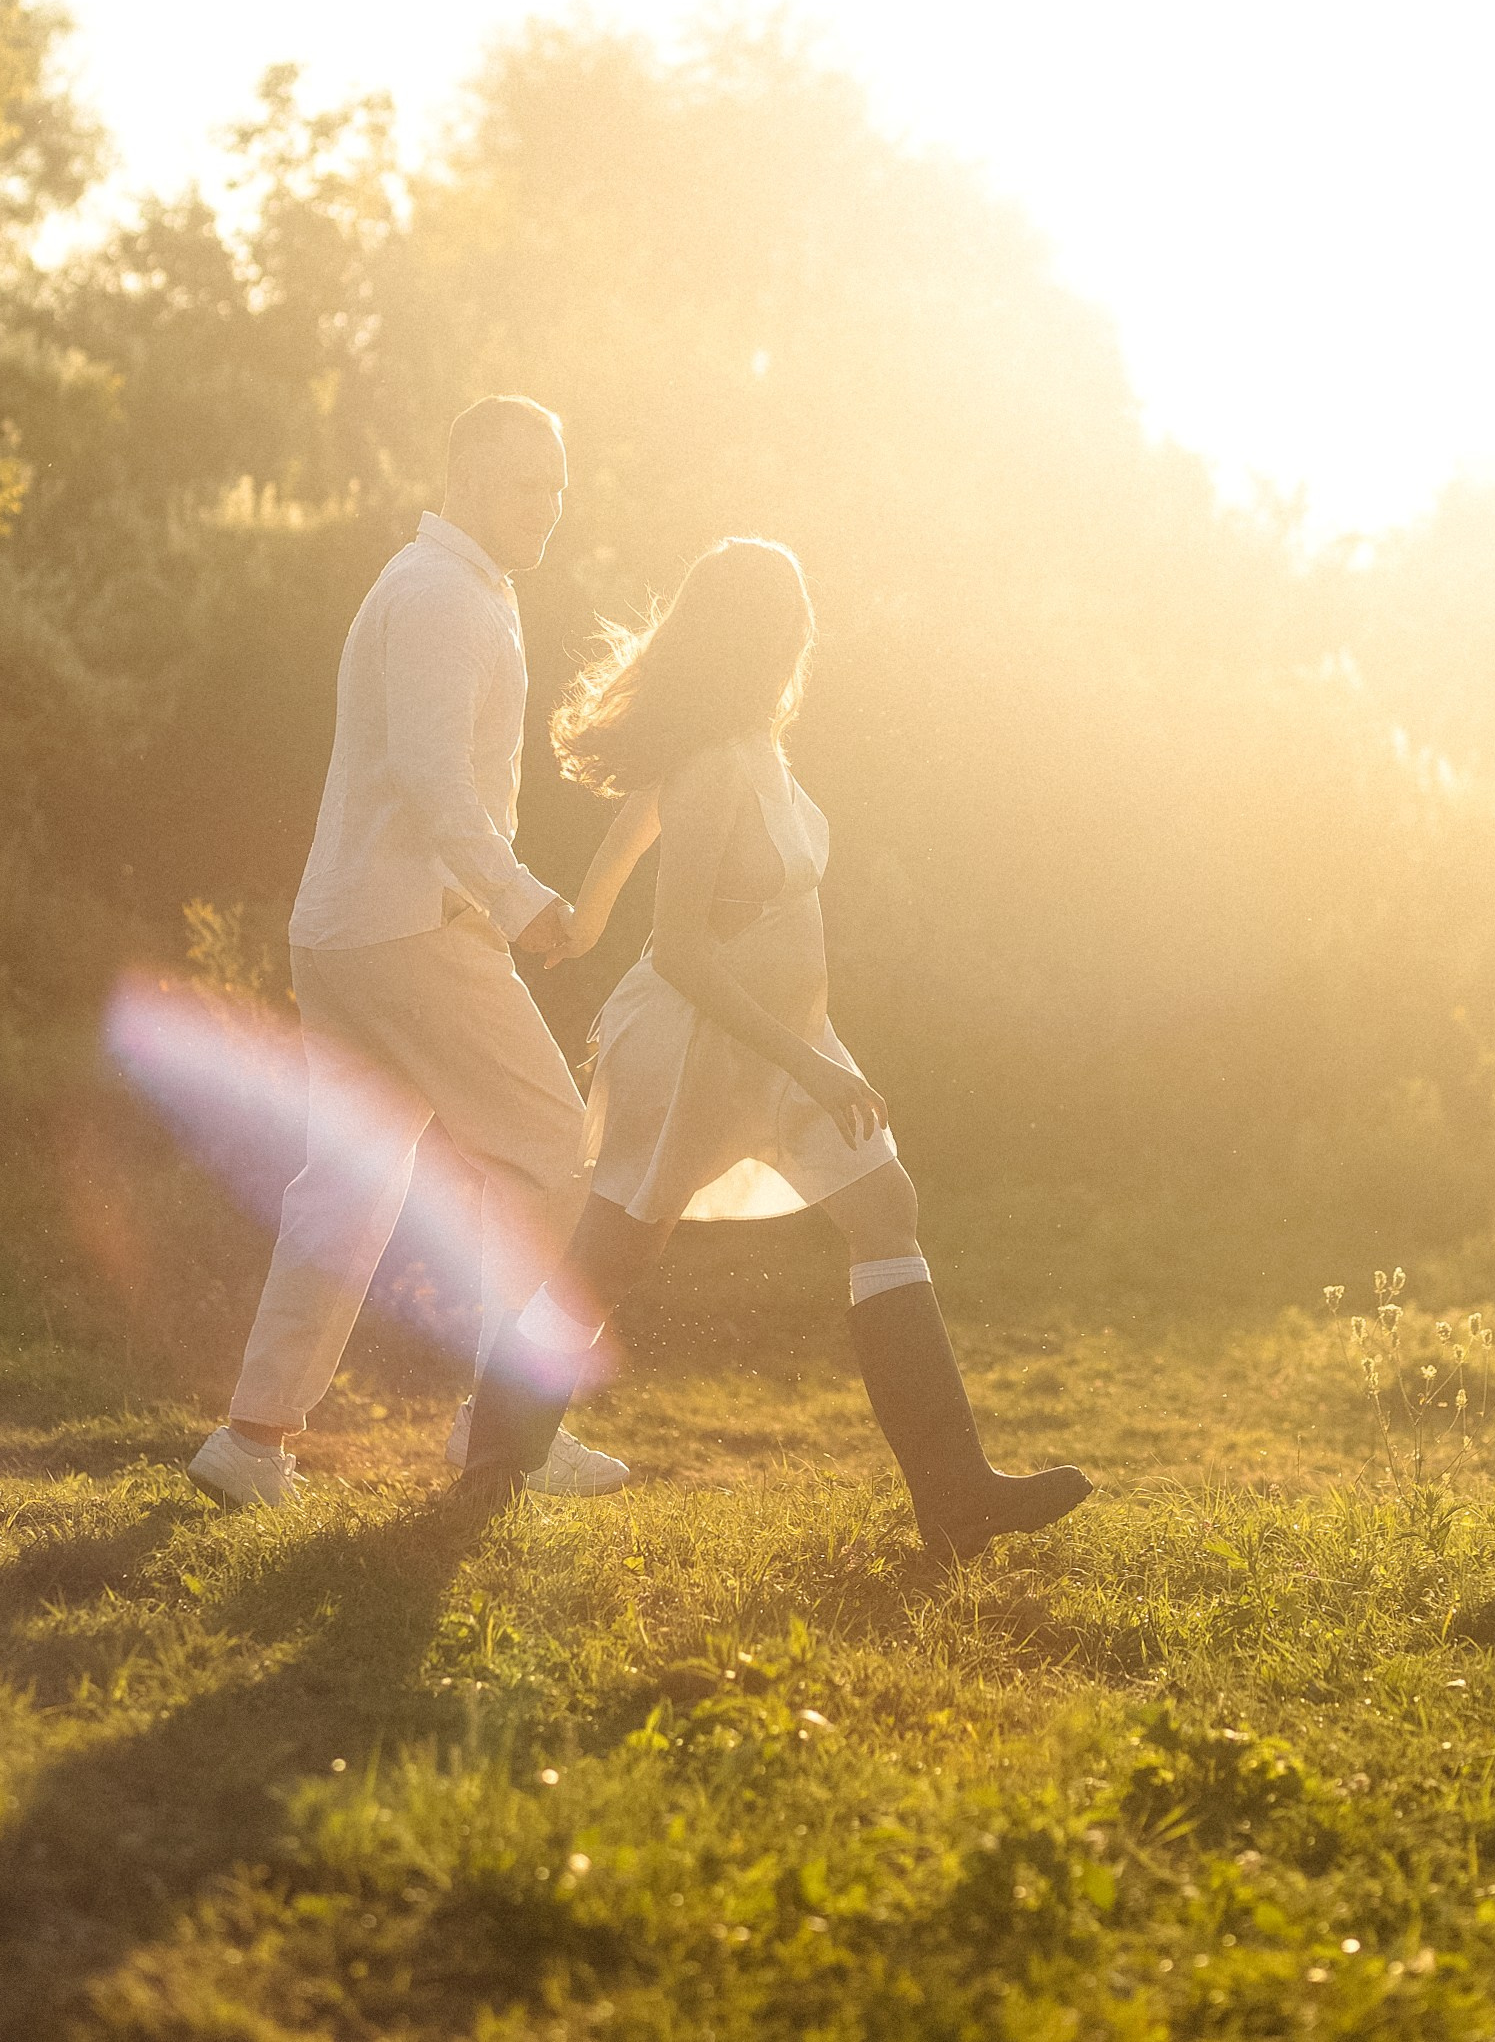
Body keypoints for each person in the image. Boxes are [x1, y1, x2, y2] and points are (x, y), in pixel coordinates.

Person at [456, 534, 1091, 1561]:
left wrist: (583, 916)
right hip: (701, 1042)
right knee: (608, 1257)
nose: (803, 632)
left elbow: (633, 824)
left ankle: (954, 1493)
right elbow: (682, 950)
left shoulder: (746, 745)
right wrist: (805, 1060)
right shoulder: (714, 766)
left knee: (884, 1207)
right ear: (758, 634)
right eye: (789, 615)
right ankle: (491, 1463)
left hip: (785, 1038)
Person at [187, 395, 628, 1509]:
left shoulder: (449, 587)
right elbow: (434, 779)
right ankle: (507, 1428)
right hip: (410, 930)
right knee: (551, 1147)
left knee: (347, 1188)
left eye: (559, 483)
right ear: (472, 480)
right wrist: (523, 900)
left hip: (343, 930)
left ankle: (250, 1444)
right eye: (529, 482)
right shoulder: (439, 596)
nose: (550, 504)